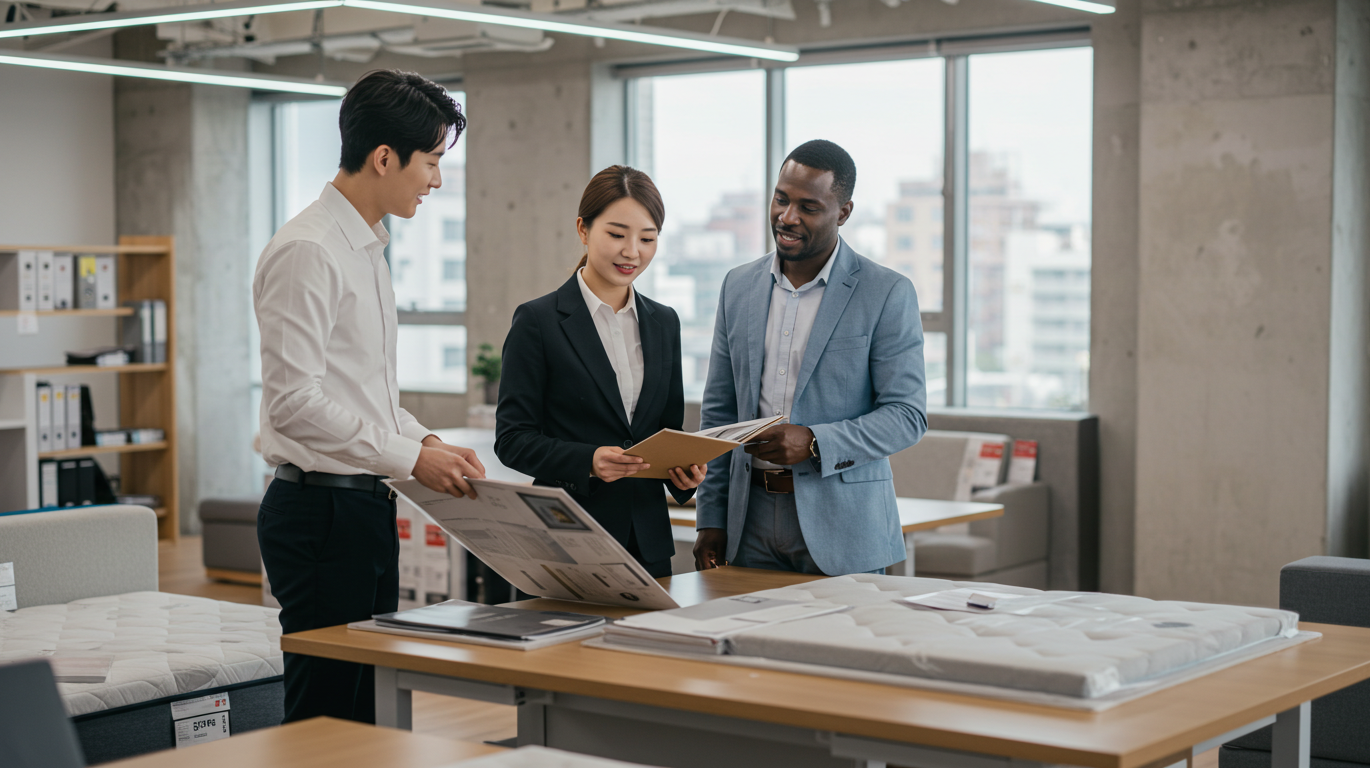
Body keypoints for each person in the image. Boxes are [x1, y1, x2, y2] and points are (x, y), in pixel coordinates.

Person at [253, 69, 487, 725]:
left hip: (361, 508)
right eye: (431, 161)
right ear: (384, 157)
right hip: (319, 512)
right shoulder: (309, 251)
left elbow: (364, 393)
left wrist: (424, 441)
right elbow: (294, 403)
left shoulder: (368, 249)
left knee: (368, 713)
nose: (436, 180)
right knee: (327, 716)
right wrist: (411, 460)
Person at [693, 140, 927, 576]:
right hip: (747, 523)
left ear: (843, 212)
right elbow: (719, 413)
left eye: (808, 207)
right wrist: (711, 520)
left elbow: (907, 416)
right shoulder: (737, 286)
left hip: (844, 526)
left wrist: (816, 442)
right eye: (781, 199)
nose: (787, 217)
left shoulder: (886, 292)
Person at [495, 166, 706, 578]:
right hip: (567, 538)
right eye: (616, 234)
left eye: (647, 239)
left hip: (647, 546)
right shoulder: (538, 321)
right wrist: (588, 461)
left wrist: (683, 474)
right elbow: (512, 440)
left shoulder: (665, 323)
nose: (632, 252)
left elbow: (664, 431)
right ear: (583, 230)